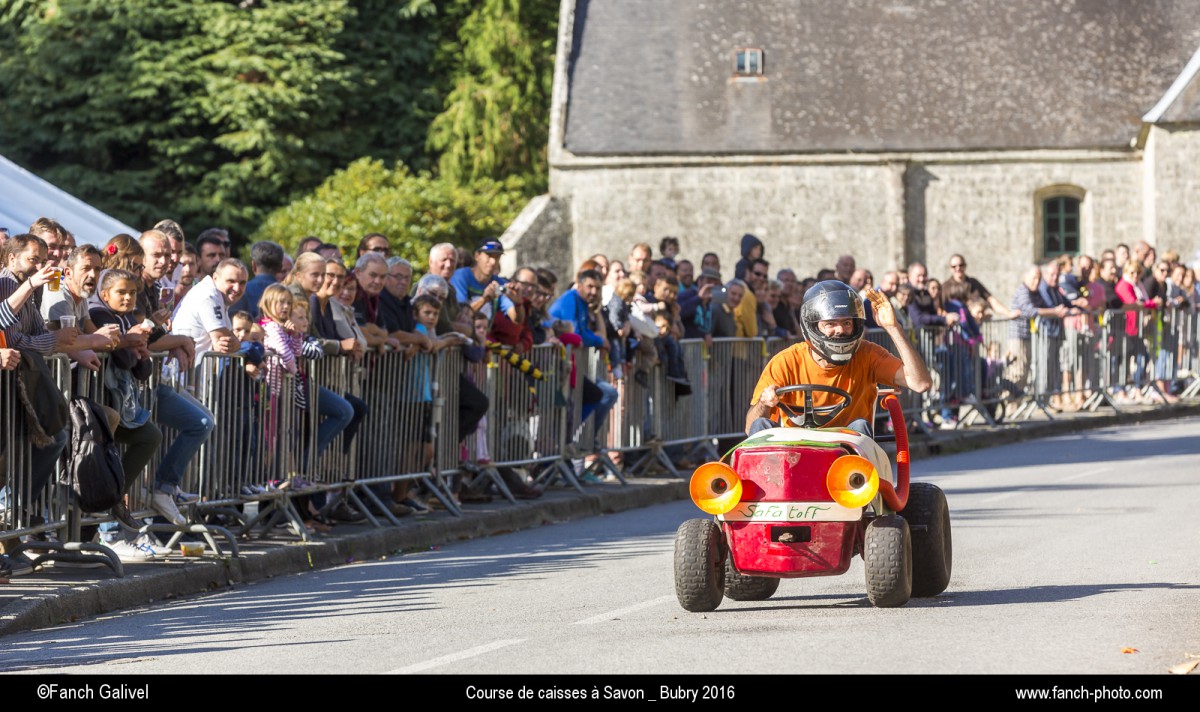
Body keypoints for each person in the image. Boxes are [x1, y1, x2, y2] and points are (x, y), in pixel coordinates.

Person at [746, 281, 932, 437]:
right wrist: (764, 402)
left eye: (846, 323)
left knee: (860, 426)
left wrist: (893, 328)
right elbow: (749, 429)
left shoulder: (868, 354)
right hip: (794, 454)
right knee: (761, 426)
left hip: (847, 459)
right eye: (830, 324)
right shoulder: (786, 361)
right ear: (813, 326)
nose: (840, 330)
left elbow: (920, 383)